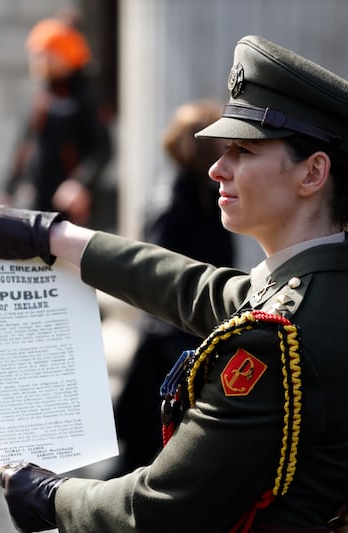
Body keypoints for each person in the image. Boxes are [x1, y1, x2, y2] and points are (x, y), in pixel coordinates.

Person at [0, 35, 348, 532]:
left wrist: (54, 498)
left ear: (313, 173)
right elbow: (193, 287)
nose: (217, 168)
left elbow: (165, 504)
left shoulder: (278, 336)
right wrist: (54, 236)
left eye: (243, 151)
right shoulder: (343, 285)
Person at [110, 100, 234, 478]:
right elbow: (154, 282)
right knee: (141, 462)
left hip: (190, 344)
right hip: (168, 354)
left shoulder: (211, 202)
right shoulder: (172, 205)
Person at [0, 14, 112, 225]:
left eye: (48, 54)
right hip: (34, 200)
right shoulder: (40, 94)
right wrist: (7, 188)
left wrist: (79, 184)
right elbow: (24, 145)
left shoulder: (85, 95)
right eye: (37, 54)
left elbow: (102, 149)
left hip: (70, 206)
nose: (40, 61)